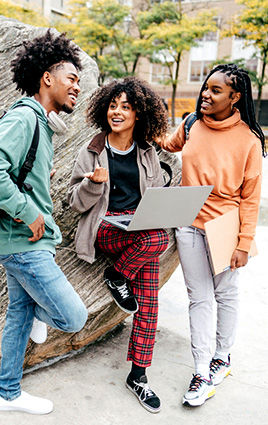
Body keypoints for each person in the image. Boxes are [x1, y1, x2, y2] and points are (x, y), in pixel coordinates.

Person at [157, 64, 265, 407]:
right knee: (198, 297)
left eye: (216, 91)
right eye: (206, 87)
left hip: (225, 225)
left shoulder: (248, 140)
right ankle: (202, 369)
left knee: (226, 295)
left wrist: (243, 244)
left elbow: (250, 198)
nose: (206, 94)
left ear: (235, 98)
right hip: (187, 219)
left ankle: (223, 356)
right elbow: (166, 142)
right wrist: (136, 122)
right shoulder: (191, 124)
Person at [67, 76, 169, 414]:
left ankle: (138, 376)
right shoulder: (92, 150)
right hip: (105, 229)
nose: (117, 111)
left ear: (139, 113)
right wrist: (94, 185)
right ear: (104, 109)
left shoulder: (146, 151)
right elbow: (75, 203)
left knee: (149, 305)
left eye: (126, 107)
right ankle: (117, 274)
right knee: (158, 237)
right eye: (113, 105)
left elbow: (153, 193)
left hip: (138, 230)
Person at [0, 30, 88, 415]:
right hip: (24, 244)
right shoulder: (23, 118)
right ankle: (40, 314)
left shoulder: (41, 124)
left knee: (18, 316)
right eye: (71, 78)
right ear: (47, 77)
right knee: (72, 317)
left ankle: (7, 393)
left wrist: (39, 179)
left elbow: (15, 171)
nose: (77, 87)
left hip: (22, 242)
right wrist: (30, 212)